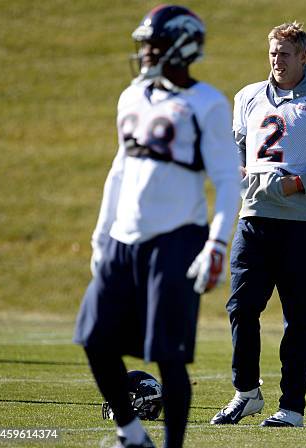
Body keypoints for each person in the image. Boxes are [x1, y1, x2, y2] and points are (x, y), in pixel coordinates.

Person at [73, 5, 240, 448]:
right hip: (122, 238)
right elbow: (119, 169)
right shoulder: (131, 95)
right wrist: (101, 233)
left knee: (169, 356)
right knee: (95, 338)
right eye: (144, 44)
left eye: (155, 44)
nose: (146, 52)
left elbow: (226, 180)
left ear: (183, 47)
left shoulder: (207, 103)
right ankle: (132, 434)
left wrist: (216, 243)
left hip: (177, 237)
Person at [210, 22, 306, 427]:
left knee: (297, 316)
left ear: (303, 56)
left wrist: (297, 184)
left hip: (301, 225)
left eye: (286, 53)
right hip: (253, 219)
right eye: (273, 52)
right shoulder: (248, 96)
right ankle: (246, 392)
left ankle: (291, 407)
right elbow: (235, 151)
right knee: (241, 307)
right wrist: (239, 174)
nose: (277, 60)